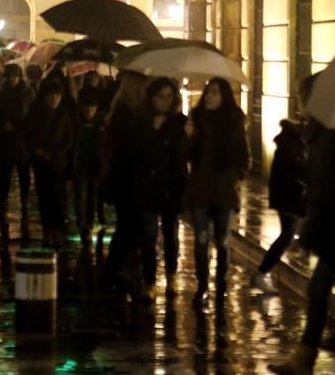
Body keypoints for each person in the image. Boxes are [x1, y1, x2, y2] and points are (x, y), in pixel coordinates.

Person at [269, 76, 335, 375]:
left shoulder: (326, 138)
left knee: (318, 290)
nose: (299, 102)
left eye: (301, 96)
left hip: (331, 224)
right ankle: (304, 357)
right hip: (328, 222)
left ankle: (304, 358)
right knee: (318, 289)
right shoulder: (319, 135)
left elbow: (325, 189)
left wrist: (310, 231)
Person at [181, 77, 251, 307]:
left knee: (222, 240)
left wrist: (237, 177)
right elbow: (184, 156)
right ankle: (202, 285)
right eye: (208, 91)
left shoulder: (233, 122)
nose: (210, 96)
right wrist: (189, 136)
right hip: (201, 188)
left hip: (225, 190)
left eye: (215, 92)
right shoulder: (196, 119)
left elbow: (243, 155)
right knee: (201, 239)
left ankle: (221, 284)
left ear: (224, 97)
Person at [133, 78, 188, 300]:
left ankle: (172, 276)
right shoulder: (142, 120)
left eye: (168, 97)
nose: (164, 102)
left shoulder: (180, 122)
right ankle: (150, 281)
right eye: (160, 97)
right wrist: (152, 132)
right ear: (152, 98)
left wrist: (189, 136)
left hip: (172, 185)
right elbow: (135, 152)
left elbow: (184, 155)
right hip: (148, 185)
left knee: (171, 233)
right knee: (148, 235)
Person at [252, 119, 307, 294]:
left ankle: (262, 273)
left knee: (288, 236)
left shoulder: (291, 142)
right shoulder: (293, 145)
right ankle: (261, 273)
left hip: (289, 196)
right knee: (287, 237)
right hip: (290, 197)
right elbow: (298, 170)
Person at [104, 71, 147, 289]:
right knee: (128, 227)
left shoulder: (127, 111)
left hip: (128, 179)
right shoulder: (124, 113)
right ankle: (114, 270)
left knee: (130, 226)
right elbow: (130, 148)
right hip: (127, 180)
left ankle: (121, 269)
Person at [27, 77, 75, 248]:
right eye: (50, 95)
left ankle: (57, 229)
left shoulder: (64, 114)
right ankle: (48, 229)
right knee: (44, 196)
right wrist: (38, 150)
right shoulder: (35, 113)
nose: (53, 99)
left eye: (57, 95)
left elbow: (69, 139)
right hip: (40, 162)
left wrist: (56, 153)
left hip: (58, 162)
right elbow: (29, 135)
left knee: (57, 197)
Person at [0, 63, 34, 240]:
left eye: (14, 76)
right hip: (6, 140)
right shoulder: (1, 94)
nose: (11, 79)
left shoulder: (28, 94)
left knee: (24, 173)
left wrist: (16, 126)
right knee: (5, 173)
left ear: (20, 77)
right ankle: (3, 202)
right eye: (9, 76)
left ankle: (24, 201)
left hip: (22, 140)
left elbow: (32, 117)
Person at [74, 87, 108, 247]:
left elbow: (106, 145)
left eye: (92, 110)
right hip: (80, 163)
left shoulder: (101, 124)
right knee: (80, 194)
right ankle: (82, 223)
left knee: (93, 195)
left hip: (95, 164)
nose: (89, 113)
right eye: (86, 110)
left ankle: (89, 221)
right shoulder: (76, 122)